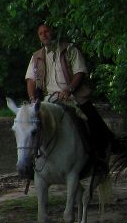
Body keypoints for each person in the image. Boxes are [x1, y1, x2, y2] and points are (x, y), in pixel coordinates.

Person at [24, 22, 114, 172]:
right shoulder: (36, 56)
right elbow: (30, 80)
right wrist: (33, 98)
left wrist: (69, 89)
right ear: (39, 37)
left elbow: (80, 72)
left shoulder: (70, 49)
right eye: (41, 33)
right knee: (30, 126)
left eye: (47, 31)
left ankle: (99, 158)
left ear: (53, 32)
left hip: (72, 98)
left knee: (95, 123)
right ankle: (31, 165)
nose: (44, 35)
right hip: (47, 100)